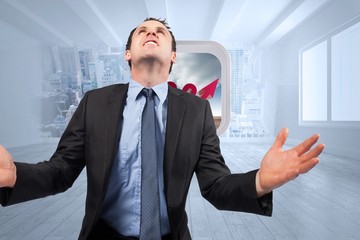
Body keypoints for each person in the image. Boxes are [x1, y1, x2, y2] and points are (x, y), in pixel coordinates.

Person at [0, 18, 325, 240]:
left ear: (172, 56)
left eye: (160, 31)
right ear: (128, 54)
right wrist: (15, 175)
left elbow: (214, 185)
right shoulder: (94, 103)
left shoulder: (197, 111)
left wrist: (258, 181)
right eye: (142, 31)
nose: (151, 32)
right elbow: (60, 172)